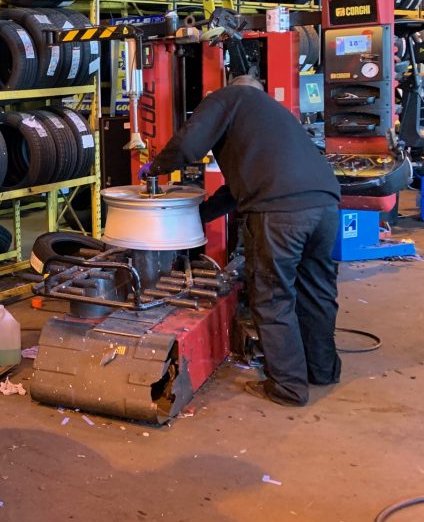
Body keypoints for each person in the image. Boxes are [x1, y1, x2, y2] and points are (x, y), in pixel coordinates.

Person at [138, 75, 342, 407]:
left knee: (273, 296)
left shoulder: (225, 97)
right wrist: (198, 215)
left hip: (280, 215)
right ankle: (322, 370)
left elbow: (188, 146)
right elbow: (239, 189)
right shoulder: (273, 115)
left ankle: (288, 388)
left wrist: (156, 168)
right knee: (317, 289)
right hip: (325, 205)